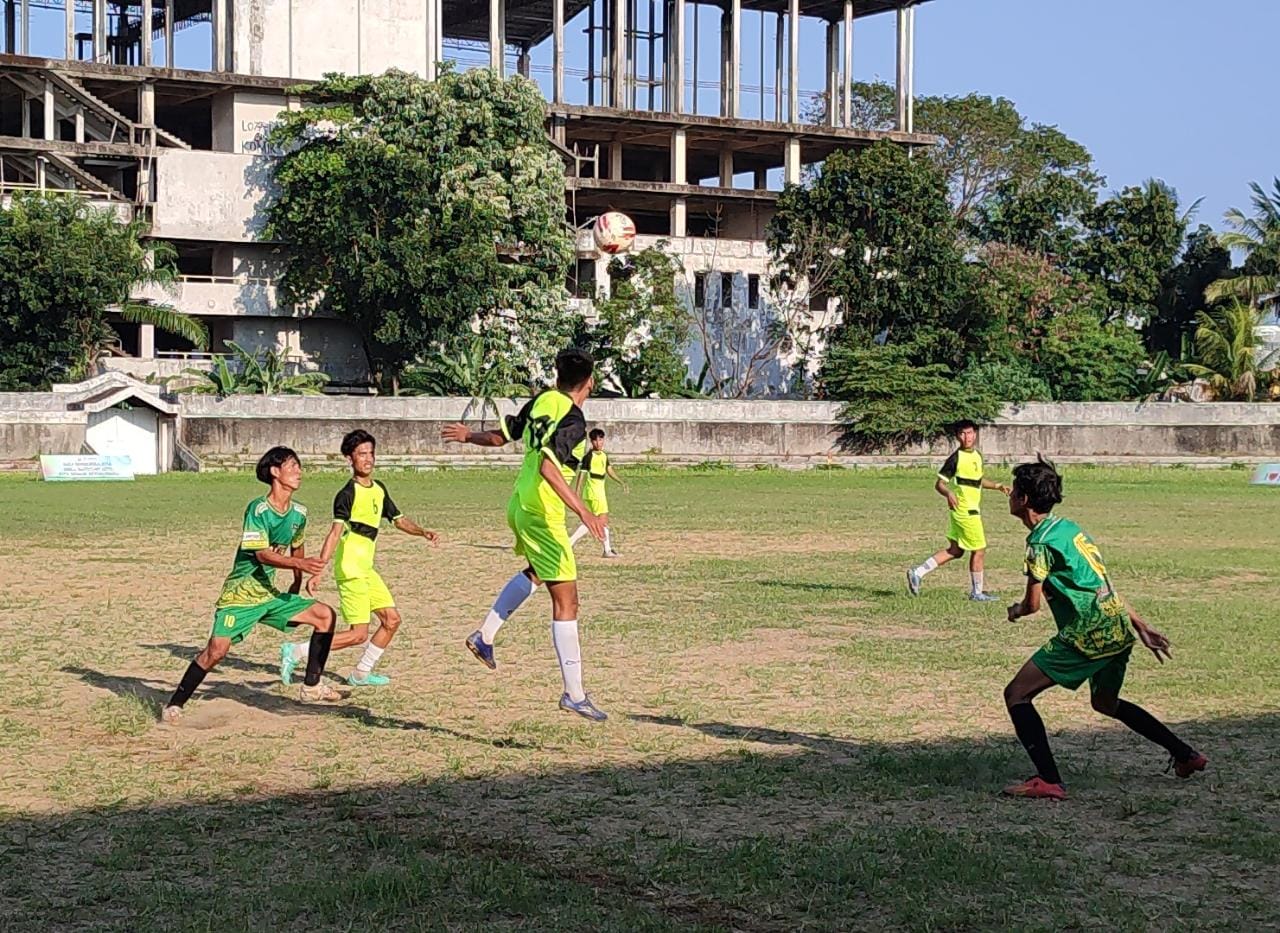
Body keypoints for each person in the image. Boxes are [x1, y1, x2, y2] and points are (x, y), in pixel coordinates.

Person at [1001, 455, 1208, 799]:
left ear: (1024, 499)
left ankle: (1048, 779)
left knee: (1016, 694)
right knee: (1105, 703)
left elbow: (1032, 605)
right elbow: (1101, 581)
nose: (1007, 493)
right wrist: (1138, 624)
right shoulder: (1069, 529)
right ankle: (1185, 755)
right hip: (1116, 626)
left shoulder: (1039, 543)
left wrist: (1016, 610)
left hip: (1088, 633)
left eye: (1013, 489)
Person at [441, 347, 609, 721]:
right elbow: (551, 467)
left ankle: (484, 637)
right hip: (543, 512)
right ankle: (575, 693)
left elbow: (502, 437)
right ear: (590, 382)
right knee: (568, 601)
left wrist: (469, 436)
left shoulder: (541, 401)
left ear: (557, 377)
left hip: (519, 502)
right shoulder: (574, 419)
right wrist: (584, 511)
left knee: (537, 571)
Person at [161, 446, 343, 723]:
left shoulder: (299, 513)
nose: (299, 472)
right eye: (292, 466)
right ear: (274, 472)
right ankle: (175, 704)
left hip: (269, 596)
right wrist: (299, 566)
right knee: (216, 651)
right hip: (241, 595)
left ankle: (312, 686)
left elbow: (298, 547)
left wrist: (297, 582)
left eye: (299, 466)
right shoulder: (257, 510)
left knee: (324, 615)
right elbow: (261, 554)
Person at [280, 429, 438, 688]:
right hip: (351, 568)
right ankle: (297, 651)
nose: (368, 459)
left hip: (367, 569)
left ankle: (361, 673)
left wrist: (423, 532)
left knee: (391, 620)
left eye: (371, 453)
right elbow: (334, 534)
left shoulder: (379, 489)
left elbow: (399, 520)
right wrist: (319, 570)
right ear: (349, 459)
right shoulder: (347, 494)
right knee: (357, 634)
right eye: (361, 454)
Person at [907, 420, 1009, 601]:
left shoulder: (977, 456)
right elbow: (939, 484)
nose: (967, 437)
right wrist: (948, 493)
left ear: (975, 434)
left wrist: (997, 486)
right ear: (957, 436)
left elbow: (977, 480)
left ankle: (918, 572)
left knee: (956, 550)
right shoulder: (956, 458)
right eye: (963, 434)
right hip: (965, 511)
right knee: (979, 549)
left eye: (969, 433)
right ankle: (977, 593)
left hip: (966, 510)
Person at [569, 428, 628, 557]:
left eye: (601, 439)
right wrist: (577, 492)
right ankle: (605, 550)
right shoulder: (588, 457)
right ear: (592, 442)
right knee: (601, 520)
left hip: (600, 492)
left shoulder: (604, 456)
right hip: (593, 492)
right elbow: (582, 475)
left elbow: (609, 470)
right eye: (596, 440)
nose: (599, 443)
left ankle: (606, 550)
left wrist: (621, 482)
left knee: (598, 521)